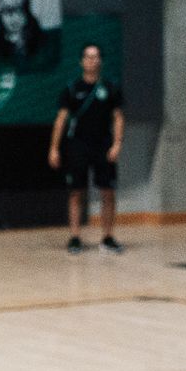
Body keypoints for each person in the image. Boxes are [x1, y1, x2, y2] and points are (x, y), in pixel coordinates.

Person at [49, 43, 125, 254]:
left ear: (101, 61)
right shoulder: (72, 89)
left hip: (103, 145)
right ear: (82, 61)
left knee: (108, 191)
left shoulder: (110, 88)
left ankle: (107, 237)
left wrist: (117, 143)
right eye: (89, 57)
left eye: (97, 56)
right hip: (78, 146)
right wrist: (54, 148)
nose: (93, 60)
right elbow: (61, 119)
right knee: (76, 192)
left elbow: (118, 118)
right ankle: (75, 237)